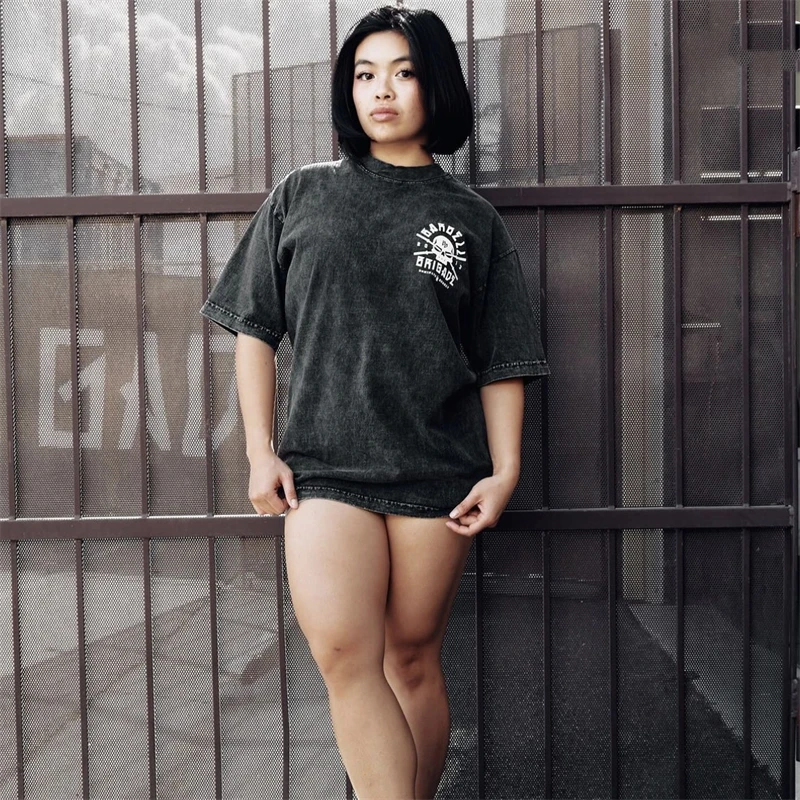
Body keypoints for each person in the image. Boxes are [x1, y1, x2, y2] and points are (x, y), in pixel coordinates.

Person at [199, 4, 549, 797]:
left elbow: (503, 362)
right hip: (323, 470)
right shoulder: (302, 196)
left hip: (437, 473)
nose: (381, 90)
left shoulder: (472, 220)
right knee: (343, 657)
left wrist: (504, 472)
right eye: (364, 74)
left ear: (437, 87)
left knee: (412, 659)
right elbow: (253, 330)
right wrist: (260, 451)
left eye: (403, 72)